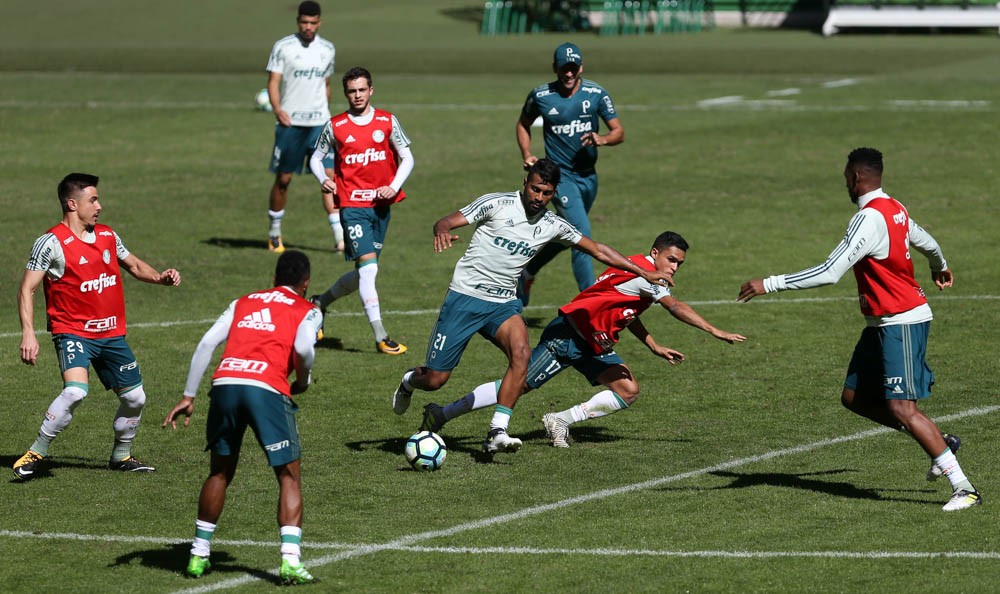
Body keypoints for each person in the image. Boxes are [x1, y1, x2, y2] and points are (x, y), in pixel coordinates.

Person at [737, 147, 980, 513]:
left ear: (855, 178)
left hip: (901, 321)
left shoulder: (867, 219)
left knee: (902, 408)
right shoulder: (895, 208)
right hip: (880, 324)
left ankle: (964, 487)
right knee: (855, 398)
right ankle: (939, 442)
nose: (845, 184)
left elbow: (829, 272)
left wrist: (769, 283)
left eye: (846, 178)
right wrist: (939, 264)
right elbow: (926, 241)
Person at [390, 159, 672, 454]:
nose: (539, 197)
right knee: (435, 380)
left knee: (522, 354)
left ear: (554, 193)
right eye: (535, 189)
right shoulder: (496, 204)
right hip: (465, 298)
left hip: (502, 304)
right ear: (525, 183)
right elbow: (445, 221)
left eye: (546, 193)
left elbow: (598, 250)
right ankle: (409, 381)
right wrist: (442, 230)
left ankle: (497, 431)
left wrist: (644, 272)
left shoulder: (553, 224)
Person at [420, 232, 746, 447]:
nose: (674, 267)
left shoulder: (640, 269)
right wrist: (714, 330)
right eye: (671, 260)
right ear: (655, 253)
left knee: (628, 390)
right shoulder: (646, 275)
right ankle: (442, 413)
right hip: (568, 336)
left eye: (679, 264)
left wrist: (652, 345)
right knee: (517, 385)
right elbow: (675, 307)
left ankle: (559, 420)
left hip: (593, 342)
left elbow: (626, 312)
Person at [162, 250, 322, 583]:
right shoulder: (307, 309)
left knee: (220, 472)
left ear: (274, 279)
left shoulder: (243, 302)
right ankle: (290, 561)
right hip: (266, 389)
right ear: (305, 283)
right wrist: (303, 380)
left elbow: (206, 343)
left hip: (225, 385)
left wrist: (189, 395)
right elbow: (304, 348)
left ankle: (198, 555)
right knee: (288, 476)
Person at [12, 173, 181, 481]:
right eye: (93, 200)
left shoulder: (107, 236)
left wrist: (160, 277)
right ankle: (36, 452)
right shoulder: (50, 243)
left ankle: (121, 457)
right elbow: (27, 289)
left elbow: (134, 265)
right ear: (72, 204)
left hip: (111, 334)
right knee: (75, 391)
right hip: (73, 331)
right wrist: (28, 333)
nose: (99, 206)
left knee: (136, 398)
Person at [308, 66, 414, 355]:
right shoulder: (336, 125)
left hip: (380, 207)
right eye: (352, 91)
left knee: (365, 272)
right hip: (352, 206)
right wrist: (323, 179)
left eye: (362, 90)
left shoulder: (387, 121)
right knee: (369, 270)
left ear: (371, 90)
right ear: (346, 94)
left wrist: (393, 186)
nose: (357, 95)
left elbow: (407, 157)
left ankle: (319, 302)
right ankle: (381, 336)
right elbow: (316, 158)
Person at [515, 42, 624, 304]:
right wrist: (527, 153)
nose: (568, 74)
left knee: (567, 235)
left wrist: (602, 139)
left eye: (573, 68)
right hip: (560, 179)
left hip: (589, 177)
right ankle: (592, 302)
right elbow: (523, 124)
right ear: (555, 68)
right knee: (582, 236)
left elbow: (619, 132)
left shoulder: (596, 93)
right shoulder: (541, 95)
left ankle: (527, 271)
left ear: (581, 68)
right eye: (564, 68)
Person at [264, 1, 343, 254]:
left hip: (319, 124)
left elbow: (326, 85)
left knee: (329, 177)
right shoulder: (283, 47)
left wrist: (325, 113)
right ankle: (274, 232)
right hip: (291, 125)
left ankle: (340, 238)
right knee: (284, 179)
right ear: (298, 21)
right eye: (304, 22)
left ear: (319, 23)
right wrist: (278, 109)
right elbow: (273, 81)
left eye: (312, 23)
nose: (308, 27)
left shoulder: (327, 49)